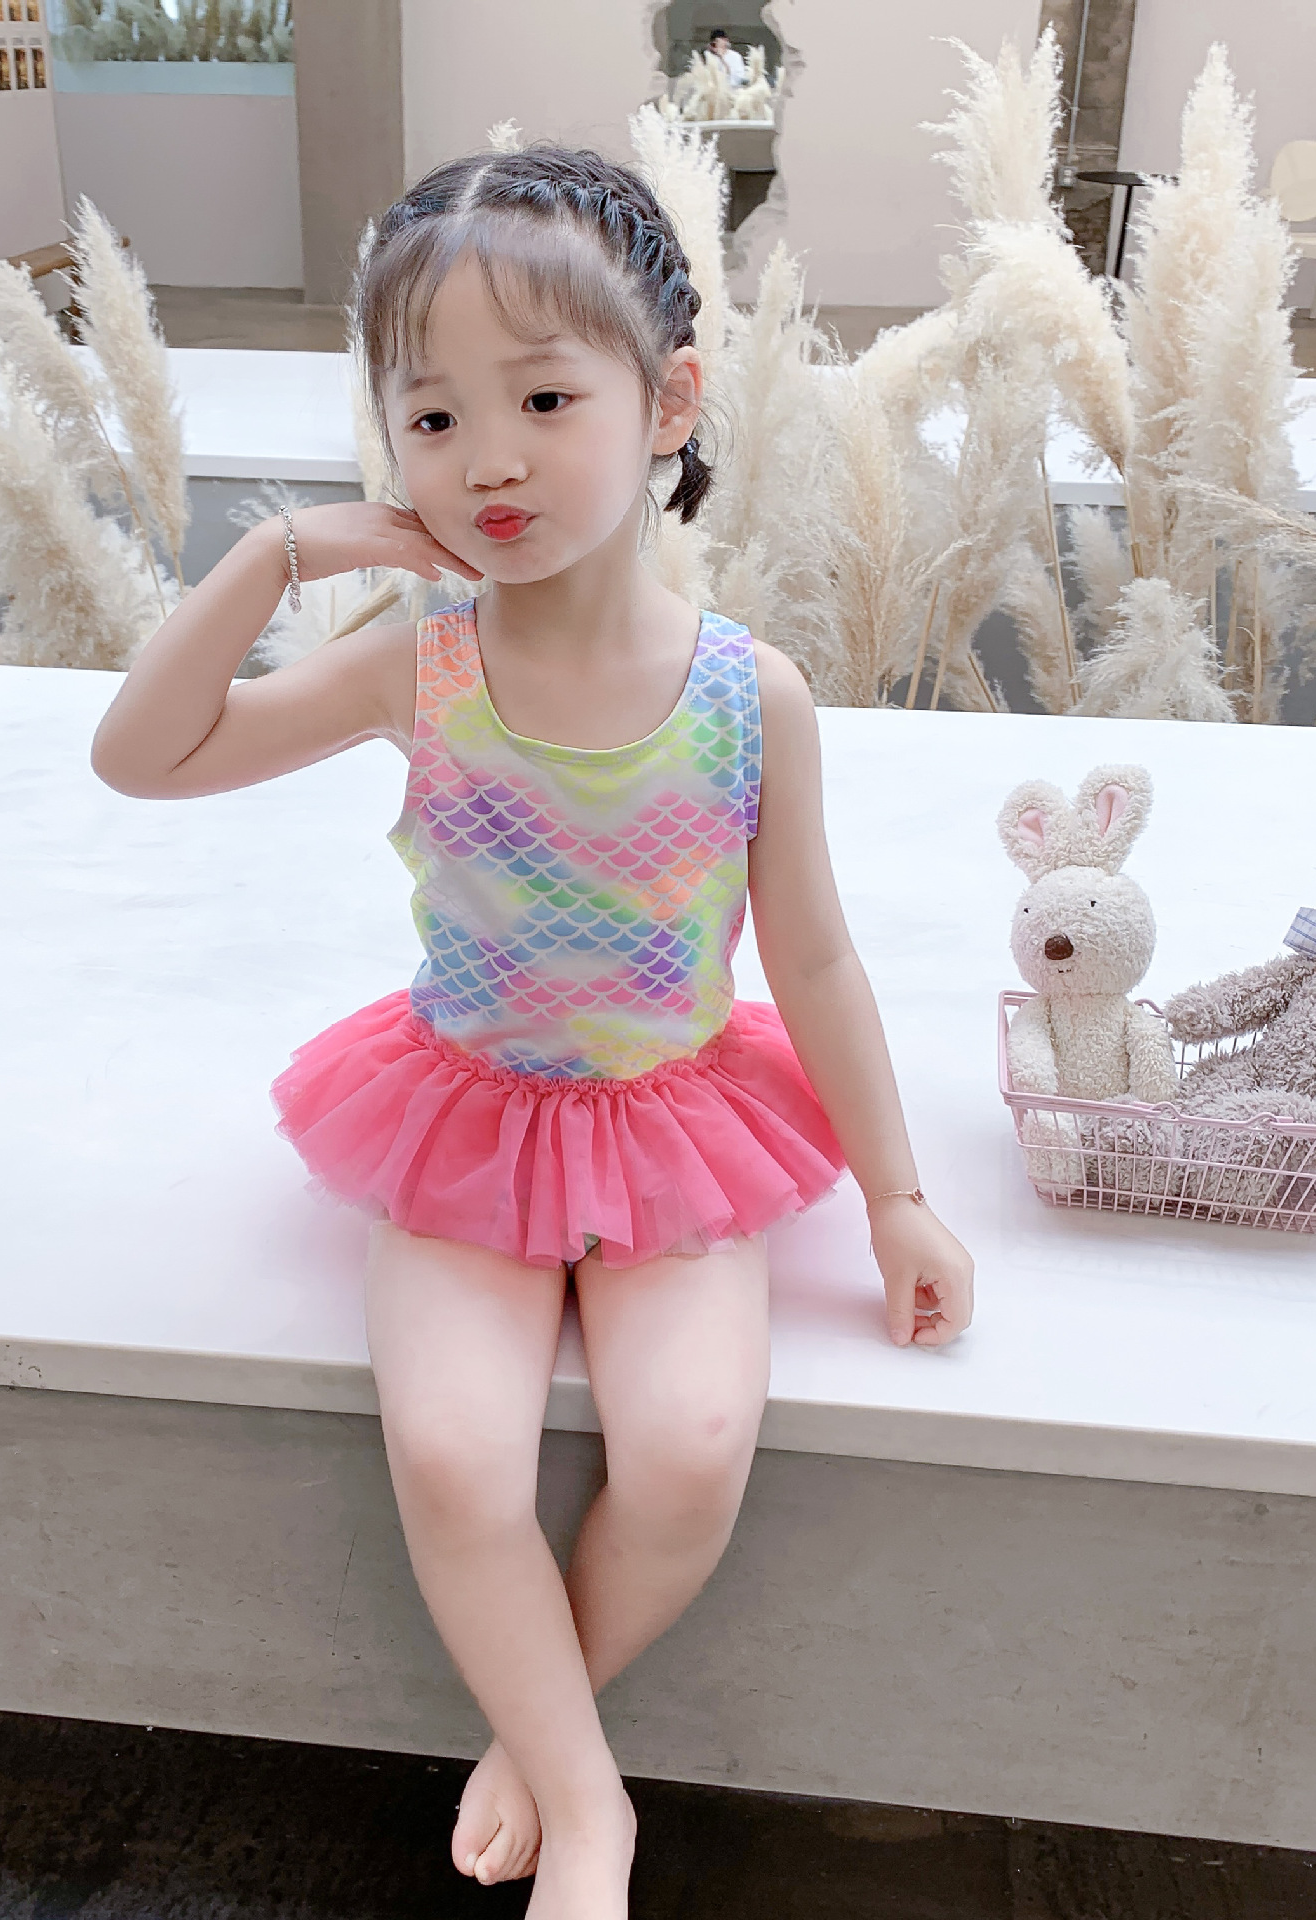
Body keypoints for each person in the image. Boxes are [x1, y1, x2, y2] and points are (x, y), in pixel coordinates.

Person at [89, 143, 975, 1920]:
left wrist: (894, 1195)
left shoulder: (751, 697)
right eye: (432, 417)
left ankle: (534, 1738)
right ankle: (594, 1809)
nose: (488, 458)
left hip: (673, 1115)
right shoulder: (415, 665)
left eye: (547, 399)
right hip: (466, 1115)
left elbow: (812, 956)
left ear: (670, 405)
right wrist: (275, 554)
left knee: (691, 1446)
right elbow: (143, 756)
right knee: (453, 1453)